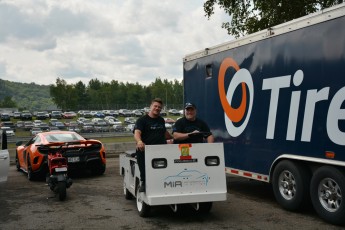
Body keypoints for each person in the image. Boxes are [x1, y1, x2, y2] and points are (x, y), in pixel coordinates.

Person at [134, 98, 173, 192]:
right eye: (155, 106)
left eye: (159, 107)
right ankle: (143, 181)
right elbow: (137, 132)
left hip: (160, 148)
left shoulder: (161, 120)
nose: (157, 108)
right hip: (146, 149)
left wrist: (174, 139)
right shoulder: (142, 120)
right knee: (140, 151)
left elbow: (164, 133)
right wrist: (139, 142)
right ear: (150, 107)